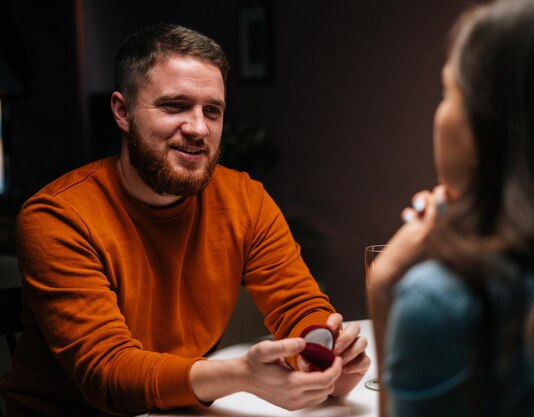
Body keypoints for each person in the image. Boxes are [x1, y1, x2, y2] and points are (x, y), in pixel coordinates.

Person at [0, 23, 370, 416]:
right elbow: (108, 372)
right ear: (122, 111)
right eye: (175, 105)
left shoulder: (244, 198)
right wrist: (240, 375)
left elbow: (297, 305)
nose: (198, 128)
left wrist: (324, 354)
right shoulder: (58, 216)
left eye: (212, 110)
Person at [368, 0, 534, 416]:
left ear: (488, 130)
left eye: (447, 93)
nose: (440, 114)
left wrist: (384, 293)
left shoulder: (442, 304)